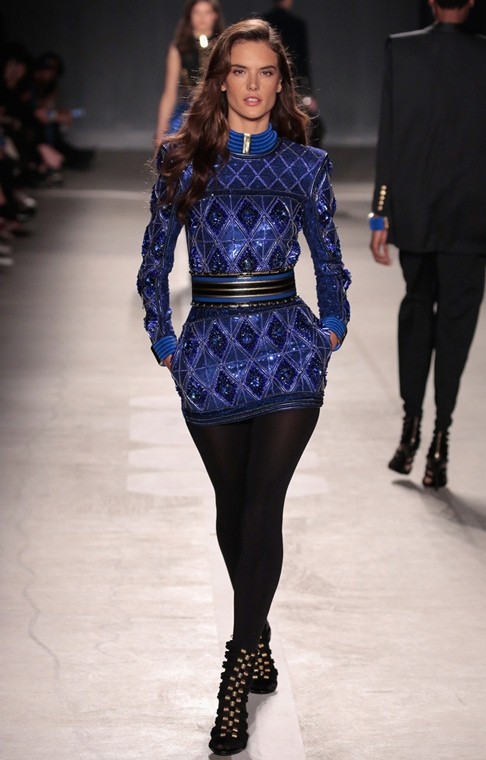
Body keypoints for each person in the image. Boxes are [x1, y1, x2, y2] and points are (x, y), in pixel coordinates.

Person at [138, 18, 350, 755]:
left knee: (263, 503)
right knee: (234, 508)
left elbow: (329, 256)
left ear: (280, 82)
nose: (253, 85)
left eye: (266, 72)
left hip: (288, 352)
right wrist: (164, 339)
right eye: (240, 71)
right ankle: (258, 639)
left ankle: (234, 671)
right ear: (220, 80)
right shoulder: (182, 160)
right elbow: (154, 260)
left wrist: (332, 326)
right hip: (209, 357)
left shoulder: (304, 165)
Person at [369, 0, 486, 489]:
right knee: (456, 325)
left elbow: (389, 138)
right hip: (470, 215)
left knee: (417, 311)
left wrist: (381, 209)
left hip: (415, 211)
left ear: (431, 2)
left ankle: (410, 425)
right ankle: (439, 439)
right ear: (472, 3)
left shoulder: (401, 51)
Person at [154, 0, 225, 145]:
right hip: (189, 111)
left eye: (207, 12)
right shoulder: (180, 48)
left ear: (215, 15)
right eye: (197, 12)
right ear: (190, 16)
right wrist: (161, 129)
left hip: (220, 108)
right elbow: (170, 91)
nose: (202, 17)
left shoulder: (224, 45)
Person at [262, 0, 324, 146]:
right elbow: (303, 62)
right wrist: (308, 93)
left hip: (267, 82)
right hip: (293, 85)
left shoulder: (263, 23)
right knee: (306, 126)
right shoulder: (297, 25)